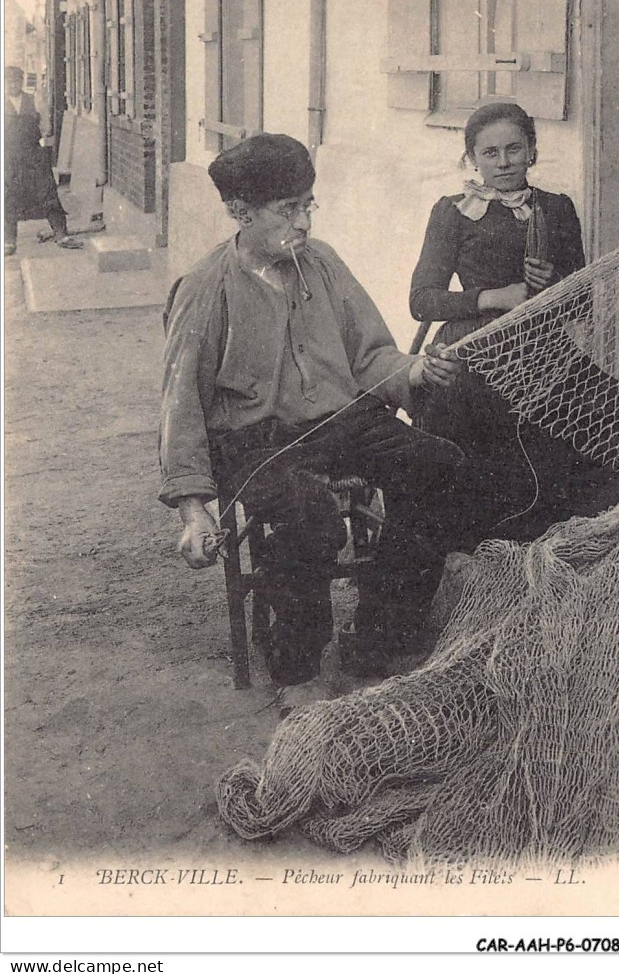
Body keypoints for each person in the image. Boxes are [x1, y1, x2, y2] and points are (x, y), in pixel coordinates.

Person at [159, 133, 472, 712]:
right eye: (288, 210)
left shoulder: (321, 262)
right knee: (310, 516)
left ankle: (381, 634)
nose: (304, 222)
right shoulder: (206, 289)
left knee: (440, 467)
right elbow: (181, 405)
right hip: (254, 441)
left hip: (341, 418)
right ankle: (297, 666)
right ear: (239, 210)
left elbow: (371, 355)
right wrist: (193, 506)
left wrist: (416, 370)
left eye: (309, 204)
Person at [410, 101, 619, 542]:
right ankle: (487, 546)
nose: (504, 162)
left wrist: (553, 285)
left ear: (532, 150)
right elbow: (422, 300)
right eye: (490, 153)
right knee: (492, 447)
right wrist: (495, 297)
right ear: (472, 158)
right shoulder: (453, 212)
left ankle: (562, 539)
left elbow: (581, 304)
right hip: (475, 348)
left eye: (514, 149)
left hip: (542, 347)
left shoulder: (556, 208)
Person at [4, 66, 82, 256]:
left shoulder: (34, 101)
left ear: (21, 82)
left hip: (33, 155)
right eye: (9, 81)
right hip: (9, 157)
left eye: (16, 80)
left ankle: (62, 234)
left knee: (48, 192)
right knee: (8, 196)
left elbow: (46, 127)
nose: (13, 84)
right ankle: (8, 242)